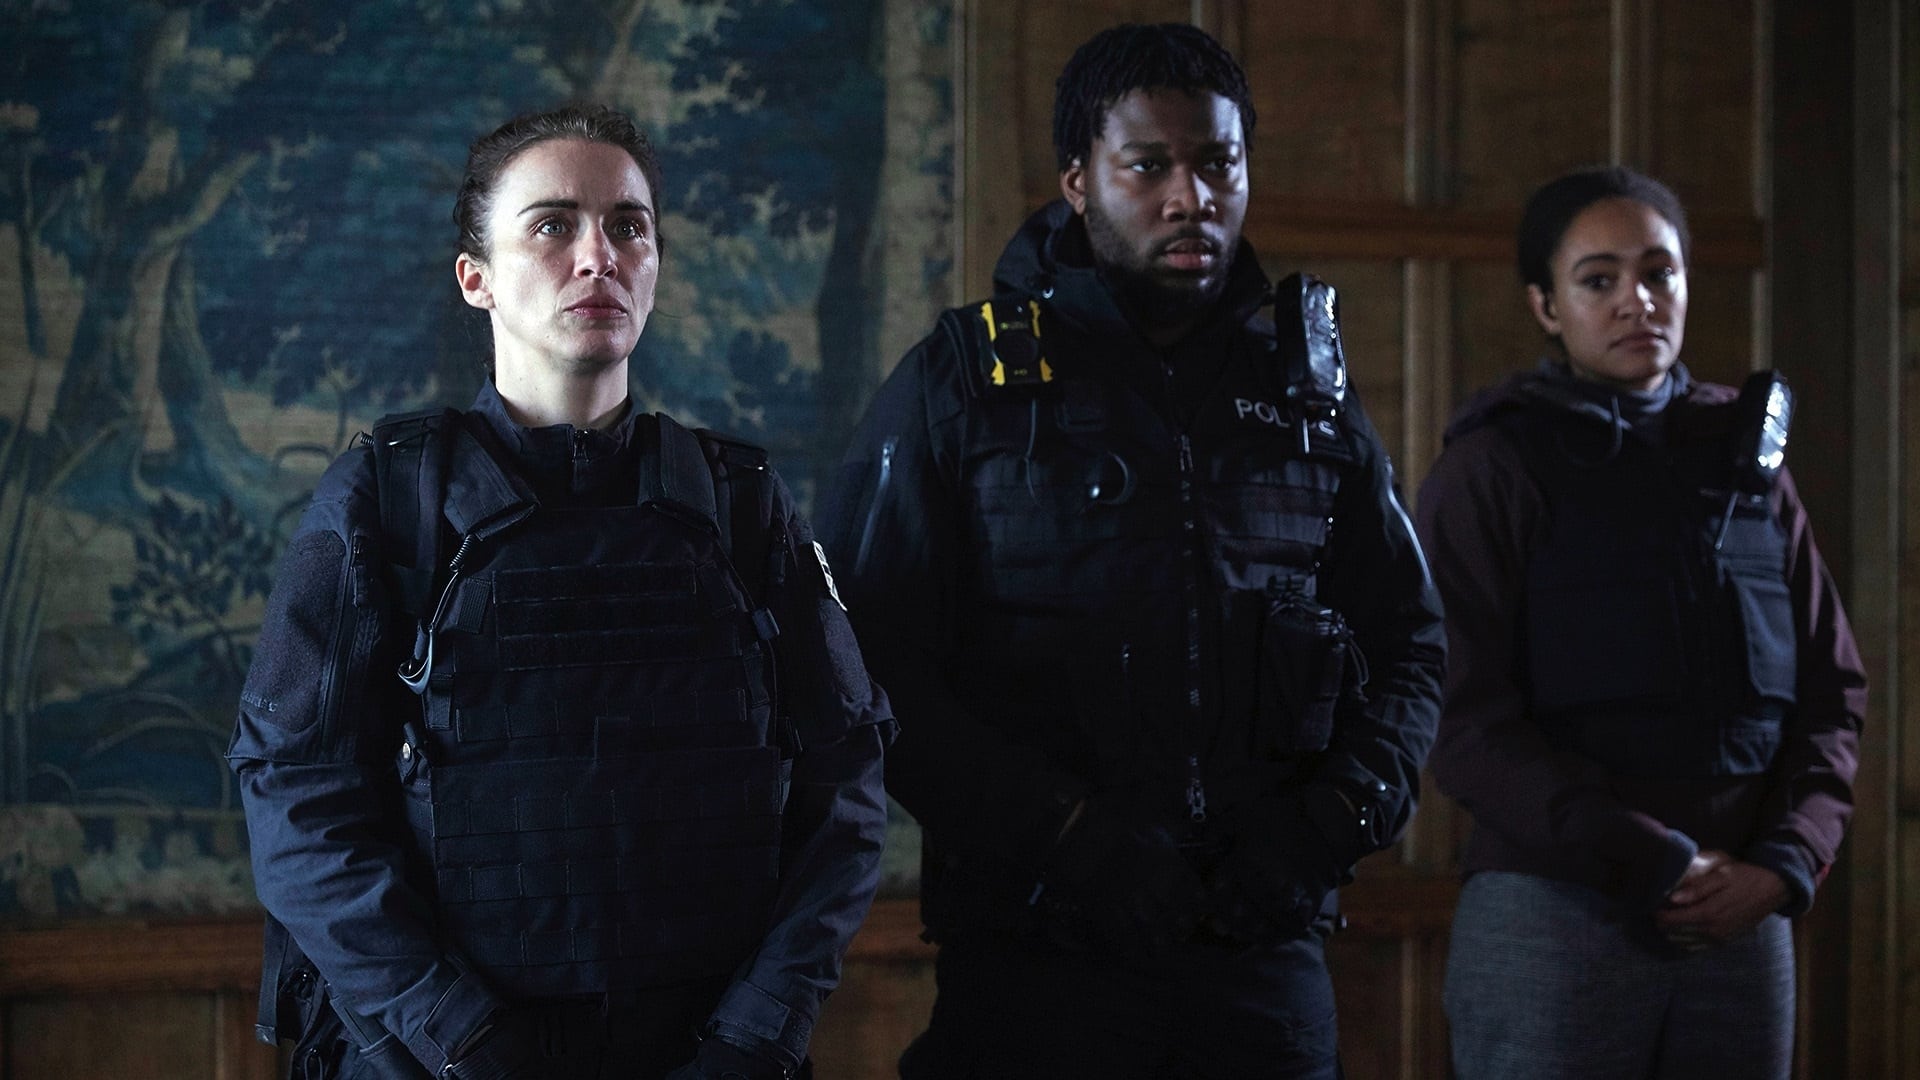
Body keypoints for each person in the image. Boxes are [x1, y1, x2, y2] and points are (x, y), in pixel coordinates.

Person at [821, 24, 1446, 1079]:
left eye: (1218, 165)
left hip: (1261, 953)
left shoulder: (1307, 397)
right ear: (1079, 181)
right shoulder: (966, 385)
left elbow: (1409, 645)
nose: (1190, 198)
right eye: (1148, 167)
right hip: (1039, 958)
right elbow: (865, 660)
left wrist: (1329, 823)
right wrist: (1065, 835)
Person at [228, 103, 893, 1080]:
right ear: (477, 278)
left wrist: (756, 1036)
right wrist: (463, 1038)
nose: (598, 257)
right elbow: (294, 800)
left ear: (655, 265)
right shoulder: (388, 501)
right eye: (552, 226)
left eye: (628, 227)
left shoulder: (741, 503)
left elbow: (847, 788)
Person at [1416, 165, 1866, 1079]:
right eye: (1599, 279)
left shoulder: (1745, 462)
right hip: (1557, 905)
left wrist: (1785, 861)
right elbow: (1456, 713)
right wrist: (1642, 856)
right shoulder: (1495, 465)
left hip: (1742, 912)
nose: (1638, 301)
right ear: (1546, 306)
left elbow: (1833, 693)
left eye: (1660, 273)